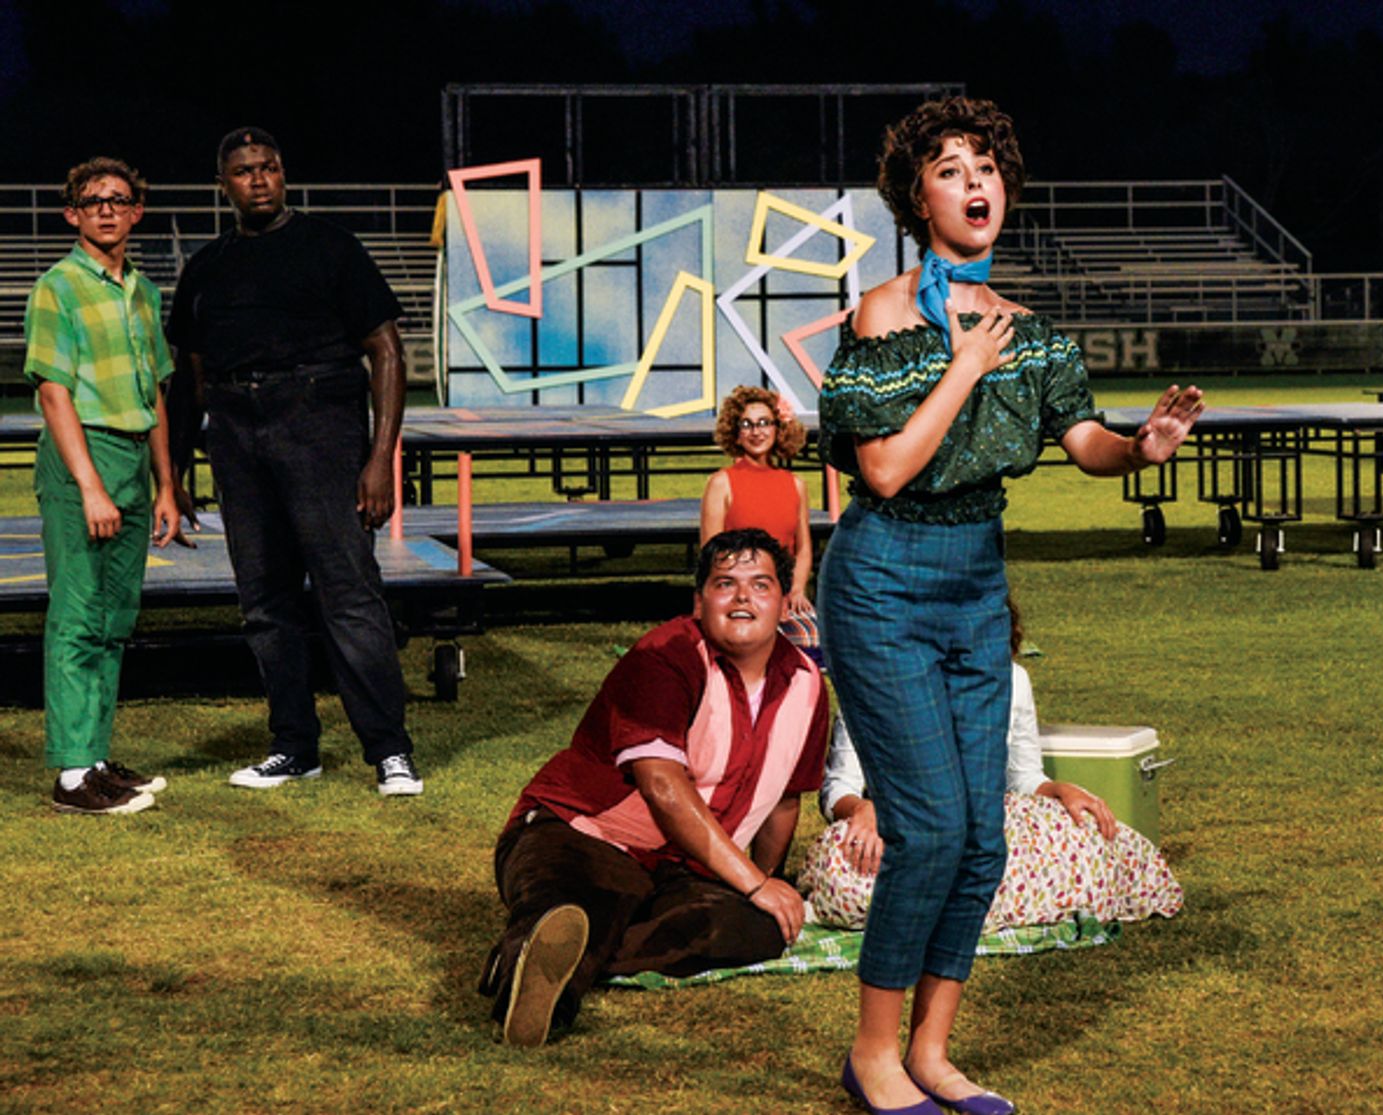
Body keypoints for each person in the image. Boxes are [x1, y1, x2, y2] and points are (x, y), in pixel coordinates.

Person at [817, 96, 1203, 1115]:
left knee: (981, 837)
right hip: (882, 581)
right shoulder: (882, 317)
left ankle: (933, 1051)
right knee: (932, 827)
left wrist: (1138, 449)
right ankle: (871, 1054)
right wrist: (962, 363)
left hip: (975, 588)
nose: (973, 180)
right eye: (948, 167)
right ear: (916, 194)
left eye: (985, 164)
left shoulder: (1031, 335)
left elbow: (1083, 443)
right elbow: (888, 470)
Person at [477, 528, 829, 1047]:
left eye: (760, 585)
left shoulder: (807, 683)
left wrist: (767, 882)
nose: (741, 598)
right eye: (724, 584)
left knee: (754, 928)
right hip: (587, 832)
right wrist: (753, 880)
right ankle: (534, 981)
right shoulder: (665, 655)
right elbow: (662, 786)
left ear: (784, 601)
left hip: (691, 866)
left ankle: (562, 954)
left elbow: (783, 799)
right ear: (699, 599)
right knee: (586, 897)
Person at [165, 127, 421, 796]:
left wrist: (379, 458)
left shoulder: (330, 246)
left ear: (284, 174)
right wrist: (178, 468)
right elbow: (188, 374)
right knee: (265, 599)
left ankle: (389, 749)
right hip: (236, 431)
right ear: (224, 183)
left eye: (269, 167)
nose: (259, 179)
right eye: (245, 170)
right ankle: (293, 745)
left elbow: (387, 350)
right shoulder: (207, 266)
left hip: (319, 424)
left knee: (348, 591)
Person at [799, 601, 1183, 932]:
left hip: (987, 821)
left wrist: (1057, 790)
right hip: (897, 825)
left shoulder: (1012, 680)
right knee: (840, 877)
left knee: (1094, 849)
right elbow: (837, 787)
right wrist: (863, 808)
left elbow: (1023, 777)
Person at [23, 157, 181, 815]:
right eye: (92, 201)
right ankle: (70, 773)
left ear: (136, 210)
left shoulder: (140, 291)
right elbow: (54, 392)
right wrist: (90, 485)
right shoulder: (58, 287)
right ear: (73, 214)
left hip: (132, 463)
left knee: (115, 620)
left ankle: (94, 756)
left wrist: (167, 484)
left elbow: (156, 392)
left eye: (118, 199)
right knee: (78, 617)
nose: (106, 210)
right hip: (80, 458)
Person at [700, 386, 814, 617]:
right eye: (746, 424)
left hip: (783, 592)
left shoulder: (795, 484)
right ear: (736, 433)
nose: (756, 432)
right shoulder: (721, 483)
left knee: (817, 644)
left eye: (764, 423)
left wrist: (797, 589)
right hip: (738, 594)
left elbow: (803, 549)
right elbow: (711, 554)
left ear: (778, 428)